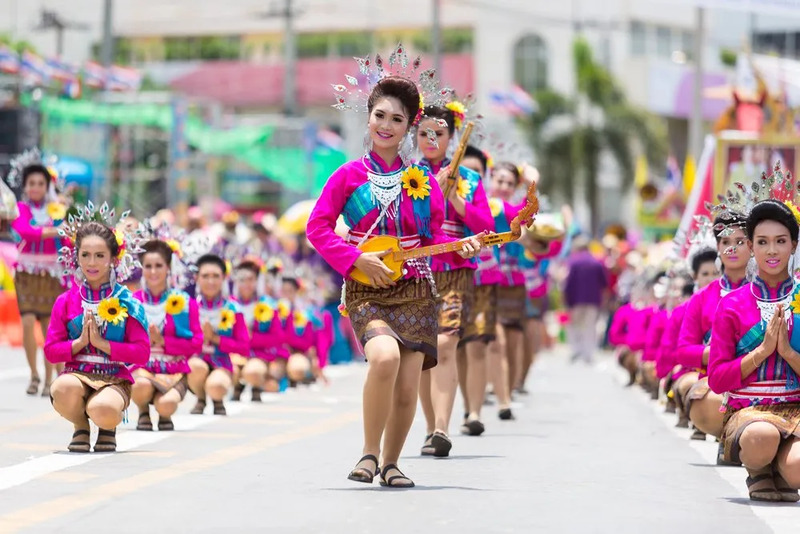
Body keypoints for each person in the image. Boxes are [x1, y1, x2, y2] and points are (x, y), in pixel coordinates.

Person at [307, 67, 482, 488]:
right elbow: (318, 228)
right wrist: (354, 261)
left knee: (407, 387)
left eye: (398, 119)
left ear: (409, 127)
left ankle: (391, 462)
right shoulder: (347, 176)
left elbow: (436, 234)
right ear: (368, 118)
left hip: (418, 288)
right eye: (380, 115)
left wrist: (462, 245)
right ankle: (368, 454)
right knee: (383, 357)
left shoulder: (422, 180)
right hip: (368, 287)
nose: (387, 125)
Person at [709, 199, 800, 502]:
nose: (772, 251)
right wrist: (761, 352)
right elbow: (718, 380)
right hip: (750, 412)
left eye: (780, 241)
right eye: (762, 242)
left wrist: (787, 353)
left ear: (794, 244)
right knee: (762, 437)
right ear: (750, 246)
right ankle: (759, 468)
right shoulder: (732, 304)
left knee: (797, 468)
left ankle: (784, 468)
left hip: (797, 408)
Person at [416, 104, 493, 456]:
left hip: (456, 274)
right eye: (424, 133)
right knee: (419, 352)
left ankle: (442, 429)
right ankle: (430, 427)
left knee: (446, 344)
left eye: (439, 133)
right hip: (417, 273)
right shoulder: (405, 177)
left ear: (452, 137)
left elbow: (486, 228)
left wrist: (457, 200)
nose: (431, 140)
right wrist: (433, 191)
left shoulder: (471, 180)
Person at [44, 220, 149, 452]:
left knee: (103, 408)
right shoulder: (66, 301)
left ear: (113, 258)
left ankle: (107, 426)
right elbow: (51, 350)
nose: (92, 263)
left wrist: (104, 344)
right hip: (77, 375)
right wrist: (79, 343)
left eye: (100, 255)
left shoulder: (127, 301)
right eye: (86, 255)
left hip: (114, 377)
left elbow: (142, 353)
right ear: (77, 257)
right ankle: (80, 425)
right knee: (61, 388)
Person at [677, 213, 750, 445]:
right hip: (716, 380)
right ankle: (728, 438)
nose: (732, 248)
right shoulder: (702, 298)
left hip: (760, 378)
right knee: (705, 401)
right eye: (725, 242)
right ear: (717, 247)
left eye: (739, 242)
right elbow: (683, 350)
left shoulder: (766, 291)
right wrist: (716, 352)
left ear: (751, 244)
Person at [132, 240, 203, 431]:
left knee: (166, 405)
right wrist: (145, 341)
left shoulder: (184, 301)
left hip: (173, 367)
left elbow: (196, 342)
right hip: (143, 368)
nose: (153, 271)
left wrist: (163, 341)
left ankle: (164, 409)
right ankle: (143, 409)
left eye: (158, 266)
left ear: (168, 268)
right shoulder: (133, 301)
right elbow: (123, 340)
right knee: (140, 387)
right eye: (148, 266)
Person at [9, 162, 66, 396]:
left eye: (40, 183)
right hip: (27, 270)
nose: (36, 187)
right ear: (25, 186)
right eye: (31, 183)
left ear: (47, 186)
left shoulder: (57, 209)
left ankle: (49, 379)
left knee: (48, 327)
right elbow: (25, 231)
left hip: (52, 271)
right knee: (27, 320)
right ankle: (34, 374)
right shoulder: (20, 208)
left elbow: (66, 238)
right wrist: (56, 230)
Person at [187, 254, 250, 416]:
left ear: (224, 278)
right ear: (197, 278)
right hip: (196, 363)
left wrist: (215, 338)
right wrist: (201, 338)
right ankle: (200, 398)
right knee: (195, 366)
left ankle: (217, 398)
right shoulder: (188, 306)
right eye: (205, 276)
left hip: (221, 362)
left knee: (217, 386)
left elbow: (244, 346)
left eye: (216, 276)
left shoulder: (233, 308)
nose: (211, 281)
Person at [563, 235, 608, 364]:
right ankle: (588, 353)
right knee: (590, 326)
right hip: (593, 300)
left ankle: (577, 350)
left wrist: (566, 299)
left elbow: (568, 283)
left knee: (575, 325)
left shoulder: (573, 262)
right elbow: (604, 284)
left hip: (576, 300)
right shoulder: (596, 262)